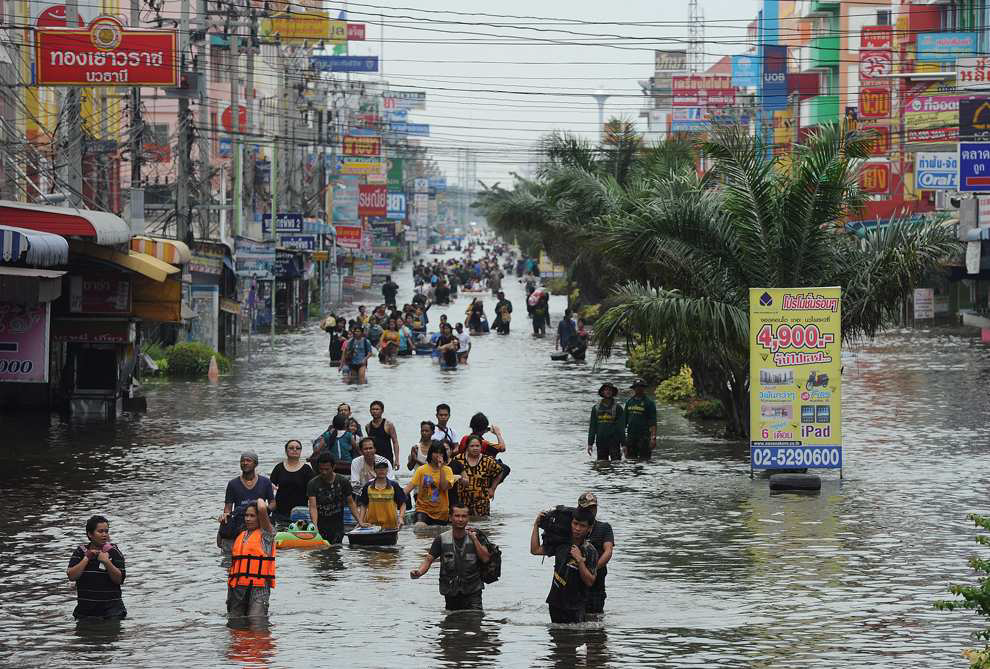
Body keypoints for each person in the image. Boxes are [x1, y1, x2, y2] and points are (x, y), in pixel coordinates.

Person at [410, 504, 492, 611]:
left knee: (475, 620)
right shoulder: (441, 539)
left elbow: (486, 558)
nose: (460, 519)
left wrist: (475, 540)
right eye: (457, 516)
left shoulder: (478, 537)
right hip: (450, 591)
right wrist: (419, 572)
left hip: (473, 591)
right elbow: (429, 559)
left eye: (464, 516)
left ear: (468, 518)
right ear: (450, 517)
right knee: (451, 623)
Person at [530, 507, 598, 624]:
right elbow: (535, 550)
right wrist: (536, 525)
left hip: (576, 605)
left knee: (575, 639)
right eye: (575, 524)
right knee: (557, 638)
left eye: (582, 526)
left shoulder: (590, 551)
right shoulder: (561, 544)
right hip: (555, 602)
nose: (577, 529)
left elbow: (590, 581)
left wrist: (580, 561)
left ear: (589, 528)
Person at [67, 515, 126, 620]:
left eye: (106, 531)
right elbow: (71, 576)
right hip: (85, 614)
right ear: (90, 534)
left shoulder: (114, 552)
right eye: (100, 531)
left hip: (112, 613)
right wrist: (87, 558)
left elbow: (119, 580)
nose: (104, 535)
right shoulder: (80, 551)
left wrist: (107, 562)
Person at [218, 451, 276, 554]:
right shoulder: (233, 484)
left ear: (255, 464)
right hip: (239, 521)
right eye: (242, 461)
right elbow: (228, 507)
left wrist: (264, 509)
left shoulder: (265, 482)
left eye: (248, 460)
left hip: (260, 520)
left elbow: (273, 503)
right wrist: (225, 517)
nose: (245, 463)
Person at [227, 498, 275, 619]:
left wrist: (258, 498)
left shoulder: (267, 535)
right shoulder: (241, 535)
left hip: (259, 589)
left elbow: (263, 508)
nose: (248, 519)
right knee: (235, 626)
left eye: (252, 516)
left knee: (256, 624)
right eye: (246, 515)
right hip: (237, 588)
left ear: (260, 518)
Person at [307, 452, 367, 544]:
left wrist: (360, 521)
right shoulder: (313, 483)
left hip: (337, 525)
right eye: (321, 469)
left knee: (335, 552)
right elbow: (313, 506)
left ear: (333, 467)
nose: (324, 472)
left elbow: (351, 503)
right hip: (320, 524)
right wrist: (315, 526)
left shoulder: (343, 481)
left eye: (327, 469)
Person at [576, 492, 614, 616]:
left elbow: (608, 551)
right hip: (575, 581)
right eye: (588, 508)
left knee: (595, 619)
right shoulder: (574, 527)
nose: (592, 511)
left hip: (597, 581)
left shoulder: (604, 528)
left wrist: (593, 568)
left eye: (594, 507)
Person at [404, 441, 458, 526]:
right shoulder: (421, 470)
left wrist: (441, 468)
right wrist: (395, 496)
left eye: (441, 453)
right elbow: (409, 487)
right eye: (435, 452)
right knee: (419, 527)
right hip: (423, 509)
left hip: (441, 512)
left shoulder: (447, 470)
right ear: (430, 453)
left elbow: (443, 487)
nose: (438, 455)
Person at [451, 435, 503, 517]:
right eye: (472, 446)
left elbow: (499, 472)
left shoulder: (488, 461)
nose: (475, 448)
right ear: (467, 447)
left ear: (481, 447)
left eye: (477, 446)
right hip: (462, 501)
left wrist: (492, 489)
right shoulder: (458, 459)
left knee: (482, 526)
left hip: (481, 502)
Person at [269, 440, 315, 523]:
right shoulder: (279, 468)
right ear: (286, 451)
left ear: (301, 451)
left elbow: (312, 493)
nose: (295, 450)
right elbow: (270, 489)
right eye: (291, 448)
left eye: (298, 448)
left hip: (300, 513)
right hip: (280, 512)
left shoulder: (306, 469)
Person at [357, 459, 406, 530]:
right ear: (374, 470)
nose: (381, 470)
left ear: (387, 470)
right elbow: (363, 504)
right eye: (379, 468)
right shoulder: (368, 486)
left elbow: (402, 503)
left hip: (391, 526)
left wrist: (401, 518)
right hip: (371, 525)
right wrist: (360, 521)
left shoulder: (394, 485)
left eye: (384, 468)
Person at [587, 382, 624, 461]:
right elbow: (592, 427)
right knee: (602, 465)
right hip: (600, 441)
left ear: (613, 392)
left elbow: (621, 428)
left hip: (614, 441)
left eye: (610, 390)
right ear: (602, 392)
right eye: (606, 390)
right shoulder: (595, 408)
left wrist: (624, 444)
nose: (608, 392)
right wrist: (590, 444)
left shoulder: (618, 408)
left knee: (616, 465)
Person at [624, 379, 657, 459]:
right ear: (634, 388)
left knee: (645, 461)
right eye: (636, 387)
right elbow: (624, 422)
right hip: (631, 437)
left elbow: (653, 422)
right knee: (630, 461)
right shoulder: (629, 402)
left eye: (641, 387)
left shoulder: (649, 403)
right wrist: (623, 440)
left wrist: (653, 438)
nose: (638, 389)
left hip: (644, 437)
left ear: (644, 388)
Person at [366, 400, 401, 466]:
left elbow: (395, 442)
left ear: (382, 411)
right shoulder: (368, 426)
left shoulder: (388, 425)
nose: (375, 411)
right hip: (374, 457)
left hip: (387, 457)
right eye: (373, 409)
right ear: (370, 411)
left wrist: (397, 459)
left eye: (377, 409)